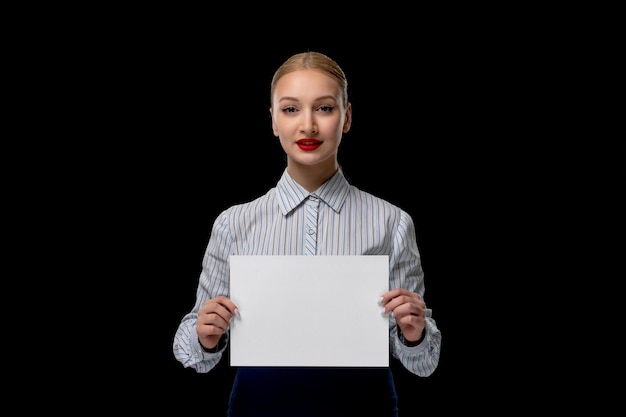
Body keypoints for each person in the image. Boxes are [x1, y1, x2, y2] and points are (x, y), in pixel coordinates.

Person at [173, 51, 442, 416]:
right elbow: (194, 353)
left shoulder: (391, 222)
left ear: (346, 117)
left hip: (365, 409)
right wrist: (206, 337)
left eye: (325, 108)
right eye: (290, 109)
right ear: (273, 121)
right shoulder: (234, 224)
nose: (308, 126)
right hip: (258, 408)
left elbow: (423, 364)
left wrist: (415, 332)